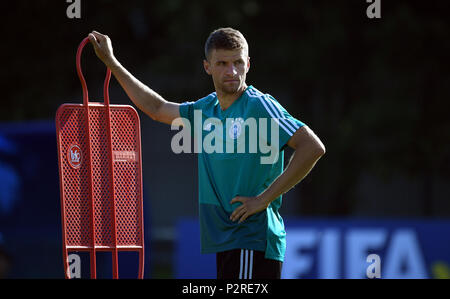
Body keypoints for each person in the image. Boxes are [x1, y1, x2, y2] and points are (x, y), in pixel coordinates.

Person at [88, 27, 325, 279]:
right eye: (222, 63)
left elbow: (312, 147)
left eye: (238, 62)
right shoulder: (206, 109)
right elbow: (156, 108)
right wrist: (111, 62)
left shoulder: (259, 105)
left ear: (248, 64)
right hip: (227, 239)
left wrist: (263, 199)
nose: (232, 71)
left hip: (251, 237)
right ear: (207, 67)